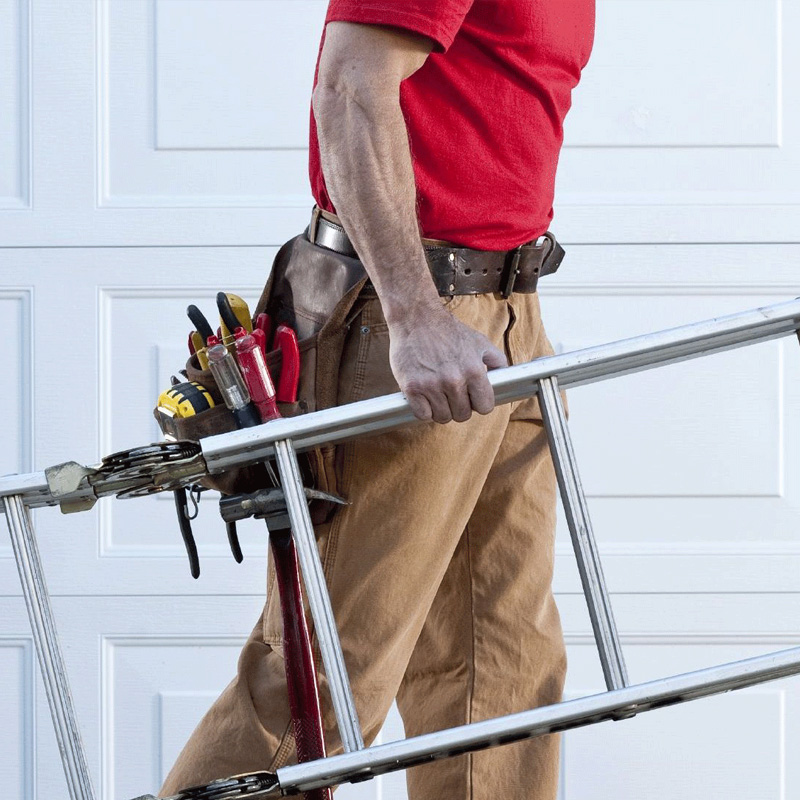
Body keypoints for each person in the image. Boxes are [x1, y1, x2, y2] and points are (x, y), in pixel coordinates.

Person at [160, 2, 595, 799]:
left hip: (508, 313)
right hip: (411, 310)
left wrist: (496, 314)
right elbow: (352, 84)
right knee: (321, 680)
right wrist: (415, 312)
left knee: (496, 664)